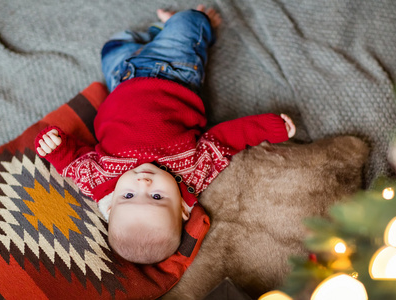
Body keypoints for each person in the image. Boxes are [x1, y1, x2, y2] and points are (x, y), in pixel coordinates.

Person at [35, 5, 296, 265]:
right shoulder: (194, 173)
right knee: (191, 21)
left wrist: (53, 147)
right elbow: (226, 140)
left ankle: (158, 32)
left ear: (111, 206)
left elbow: (70, 161)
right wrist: (267, 128)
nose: (143, 185)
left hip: (121, 79)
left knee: (113, 46)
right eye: (157, 198)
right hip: (174, 72)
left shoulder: (100, 182)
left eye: (128, 196)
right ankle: (192, 29)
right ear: (182, 209)